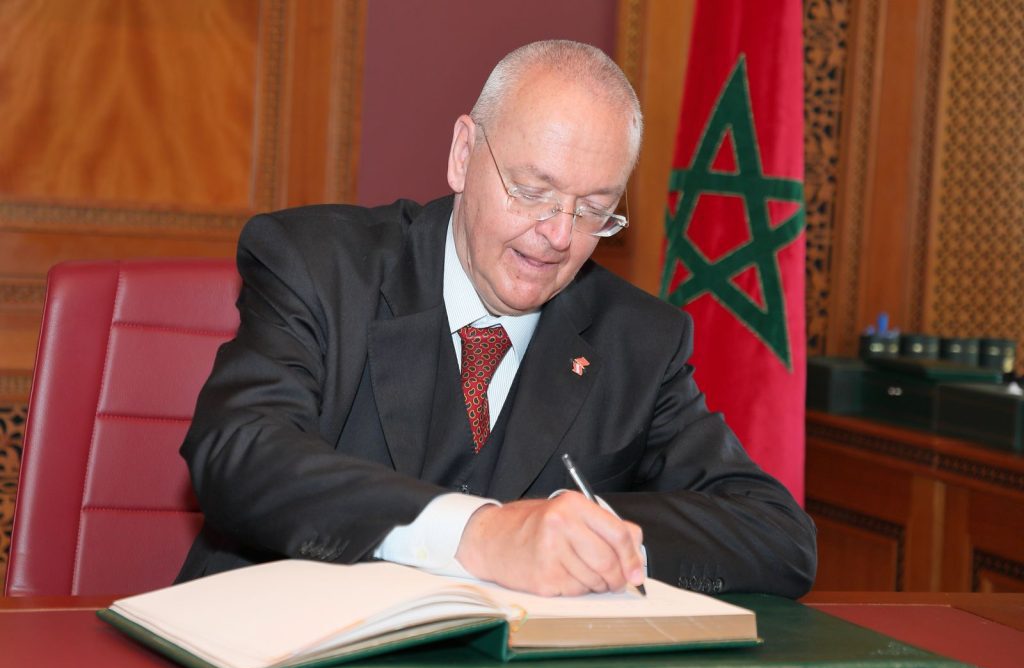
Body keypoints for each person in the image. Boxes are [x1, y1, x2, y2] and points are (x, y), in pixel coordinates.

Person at [177, 40, 816, 598]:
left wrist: (577, 535)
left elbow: (778, 534)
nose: (558, 235)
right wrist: (479, 533)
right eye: (533, 191)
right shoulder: (320, 265)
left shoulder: (637, 339)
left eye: (594, 209)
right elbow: (239, 452)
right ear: (463, 154)